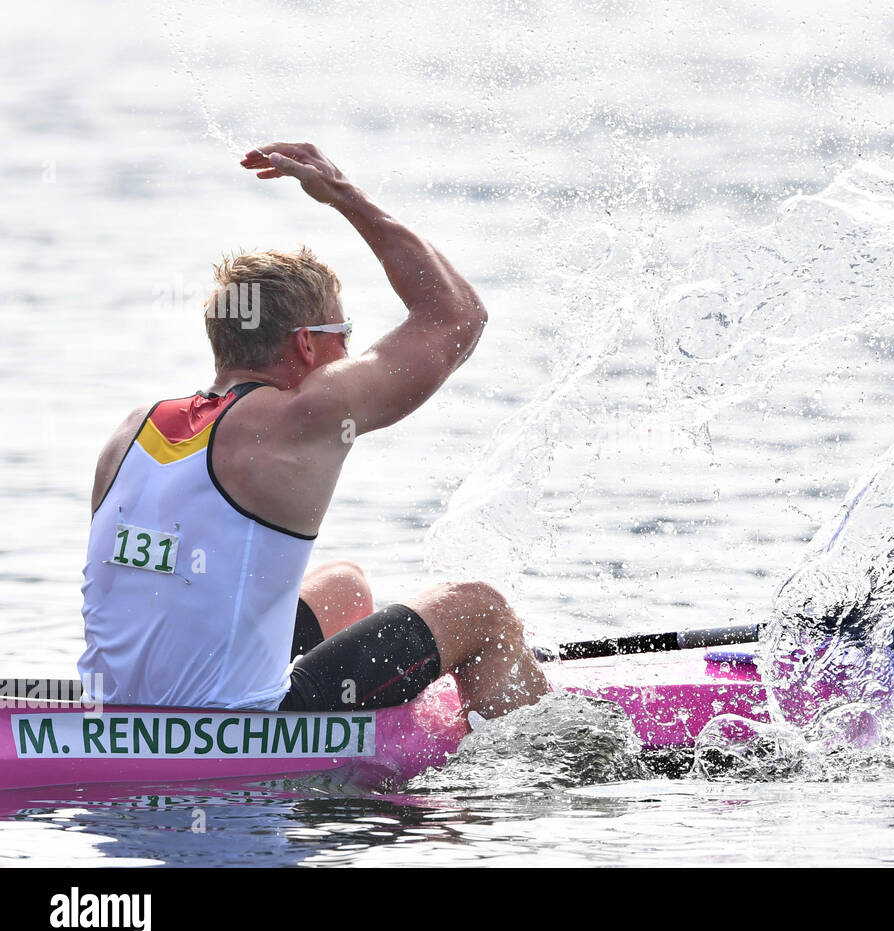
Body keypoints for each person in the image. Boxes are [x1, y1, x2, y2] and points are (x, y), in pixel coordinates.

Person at [79, 142, 550, 717]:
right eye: (343, 332)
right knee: (479, 608)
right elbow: (457, 317)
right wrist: (344, 195)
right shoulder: (301, 416)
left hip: (113, 708)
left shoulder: (133, 431)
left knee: (344, 586)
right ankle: (554, 759)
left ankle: (365, 714)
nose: (350, 349)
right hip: (241, 724)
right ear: (305, 342)